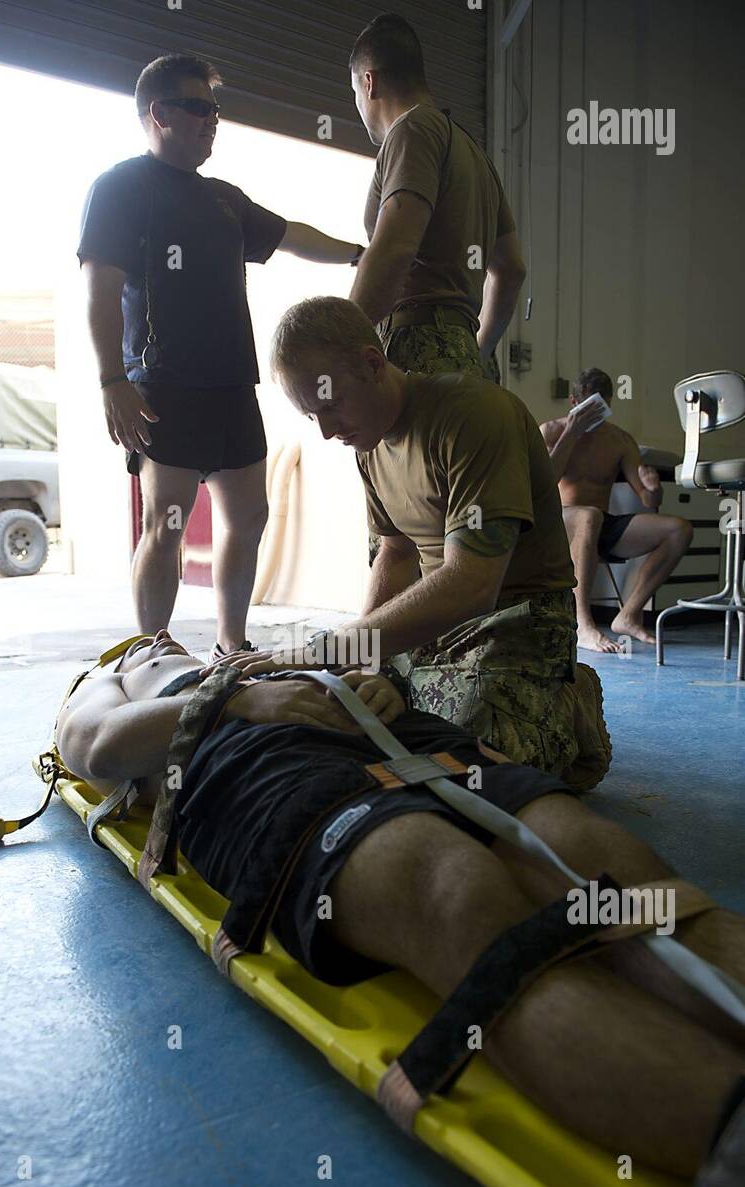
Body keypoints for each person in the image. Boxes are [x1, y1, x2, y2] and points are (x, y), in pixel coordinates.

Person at [55, 629, 745, 1187]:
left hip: (383, 734)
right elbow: (91, 747)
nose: (159, 639)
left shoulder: (254, 656)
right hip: (243, 764)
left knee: (614, 865)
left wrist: (374, 687)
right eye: (145, 642)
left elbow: (358, 659)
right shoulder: (115, 678)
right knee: (454, 891)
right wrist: (225, 701)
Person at [221, 296, 612, 791]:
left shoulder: (474, 415)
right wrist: (364, 662)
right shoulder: (367, 443)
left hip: (517, 619)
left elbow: (473, 585)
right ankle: (416, 684)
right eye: (310, 417)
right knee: (324, 711)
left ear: (372, 362)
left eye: (330, 405)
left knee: (473, 769)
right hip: (435, 627)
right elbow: (396, 552)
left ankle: (569, 696)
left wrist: (321, 649)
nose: (325, 432)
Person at [77, 52, 366, 658]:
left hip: (234, 386)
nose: (212, 121)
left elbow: (291, 235)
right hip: (164, 387)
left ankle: (231, 641)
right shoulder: (119, 187)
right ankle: (151, 647)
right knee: (167, 525)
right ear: (158, 113)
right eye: (198, 108)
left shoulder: (226, 200)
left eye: (215, 110)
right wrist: (112, 381)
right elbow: (100, 290)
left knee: (249, 518)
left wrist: (359, 255)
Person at [348, 13, 526, 382]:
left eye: (354, 94)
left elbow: (395, 249)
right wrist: (478, 348)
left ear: (370, 83)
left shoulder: (411, 129)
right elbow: (511, 269)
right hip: (464, 357)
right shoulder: (475, 154)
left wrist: (341, 346)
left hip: (414, 348)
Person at [540, 368, 693, 653]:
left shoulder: (620, 440)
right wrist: (571, 433)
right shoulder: (551, 431)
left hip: (601, 525)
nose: (596, 415)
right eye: (589, 407)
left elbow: (648, 500)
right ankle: (583, 624)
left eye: (602, 407)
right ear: (574, 402)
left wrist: (653, 488)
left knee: (679, 529)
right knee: (588, 515)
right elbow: (543, 483)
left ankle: (629, 615)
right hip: (558, 522)